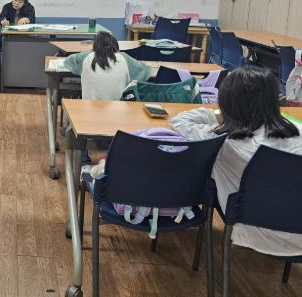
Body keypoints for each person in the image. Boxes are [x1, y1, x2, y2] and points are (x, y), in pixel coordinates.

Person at [170, 66, 302, 257]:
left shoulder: (223, 141)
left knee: (209, 179)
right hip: (298, 231)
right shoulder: (297, 131)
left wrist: (220, 115)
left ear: (227, 103)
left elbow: (180, 122)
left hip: (254, 230)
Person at [63, 31, 148, 100]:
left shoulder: (86, 56)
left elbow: (68, 61)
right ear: (116, 47)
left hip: (90, 109)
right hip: (118, 109)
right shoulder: (123, 57)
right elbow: (143, 70)